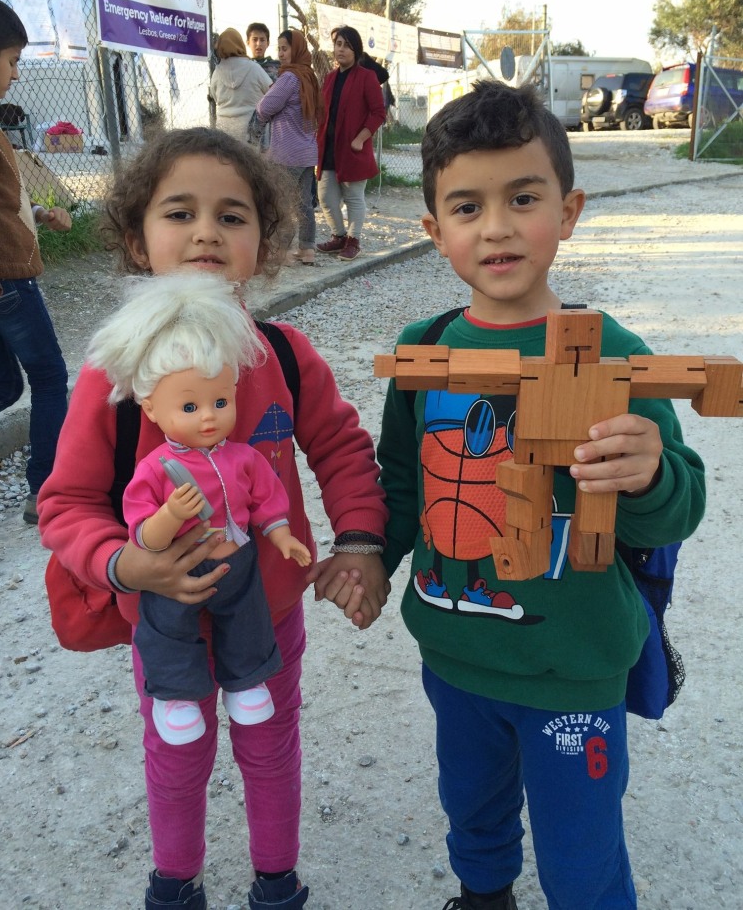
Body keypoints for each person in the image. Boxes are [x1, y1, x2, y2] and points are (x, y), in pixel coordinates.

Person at [317, 80, 706, 910]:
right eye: (467, 206)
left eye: (523, 198)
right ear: (434, 231)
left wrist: (647, 472)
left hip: (573, 665)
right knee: (473, 806)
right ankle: (483, 895)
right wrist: (370, 555)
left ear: (567, 211)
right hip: (456, 657)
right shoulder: (422, 350)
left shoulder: (614, 355)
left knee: (581, 852)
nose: (496, 226)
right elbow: (399, 480)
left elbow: (679, 509)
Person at [38, 126, 390, 910]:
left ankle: (277, 881)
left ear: (264, 242)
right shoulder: (114, 373)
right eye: (179, 213)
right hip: (163, 619)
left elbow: (338, 446)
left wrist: (360, 539)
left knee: (269, 746)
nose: (206, 230)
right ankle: (175, 883)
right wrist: (125, 563)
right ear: (136, 239)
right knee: (177, 750)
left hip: (269, 610)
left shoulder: (282, 354)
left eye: (232, 216)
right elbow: (65, 502)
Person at [87, 271, 311, 748]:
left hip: (238, 557)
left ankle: (247, 679)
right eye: (189, 407)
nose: (209, 416)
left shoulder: (243, 457)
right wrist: (168, 517)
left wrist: (281, 533)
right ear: (151, 410)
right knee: (167, 627)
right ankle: (176, 695)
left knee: (247, 615)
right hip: (175, 569)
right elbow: (140, 526)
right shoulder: (155, 468)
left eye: (220, 401)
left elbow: (267, 497)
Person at [0, 0, 71, 525]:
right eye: (12, 61)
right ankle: (48, 489)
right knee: (49, 376)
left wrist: (37, 212)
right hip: (4, 282)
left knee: (1, 385)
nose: (16, 74)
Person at [315, 25, 387, 262]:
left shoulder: (367, 77)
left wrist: (360, 138)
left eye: (346, 45)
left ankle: (353, 241)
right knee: (325, 196)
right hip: (328, 149)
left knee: (354, 197)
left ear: (356, 49)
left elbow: (378, 113)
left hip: (353, 149)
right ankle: (339, 237)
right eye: (338, 44)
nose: (341, 49)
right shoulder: (330, 78)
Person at [256, 29, 324, 266]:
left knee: (280, 205)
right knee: (304, 203)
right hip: (307, 152)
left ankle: (281, 252)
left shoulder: (288, 78)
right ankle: (307, 250)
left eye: (285, 48)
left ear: (296, 50)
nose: (281, 53)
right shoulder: (309, 77)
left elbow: (265, 108)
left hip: (286, 153)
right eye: (280, 49)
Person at [208, 28, 271, 143]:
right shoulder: (254, 68)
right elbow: (271, 91)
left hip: (224, 131)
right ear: (241, 44)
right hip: (250, 131)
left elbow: (214, 96)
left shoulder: (217, 72)